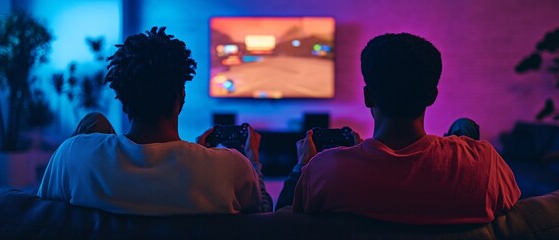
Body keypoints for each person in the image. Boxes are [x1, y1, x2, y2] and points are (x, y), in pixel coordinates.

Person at [277, 33, 521, 224]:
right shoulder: (484, 163)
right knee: (465, 128)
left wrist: (302, 166)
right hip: (454, 170)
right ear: (432, 95)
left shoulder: (324, 170)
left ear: (368, 96)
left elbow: (286, 222)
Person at [38, 27, 272, 215]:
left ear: (123, 100)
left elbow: (42, 212)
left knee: (94, 121)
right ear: (181, 96)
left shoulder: (74, 154)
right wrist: (253, 161)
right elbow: (263, 215)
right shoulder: (231, 167)